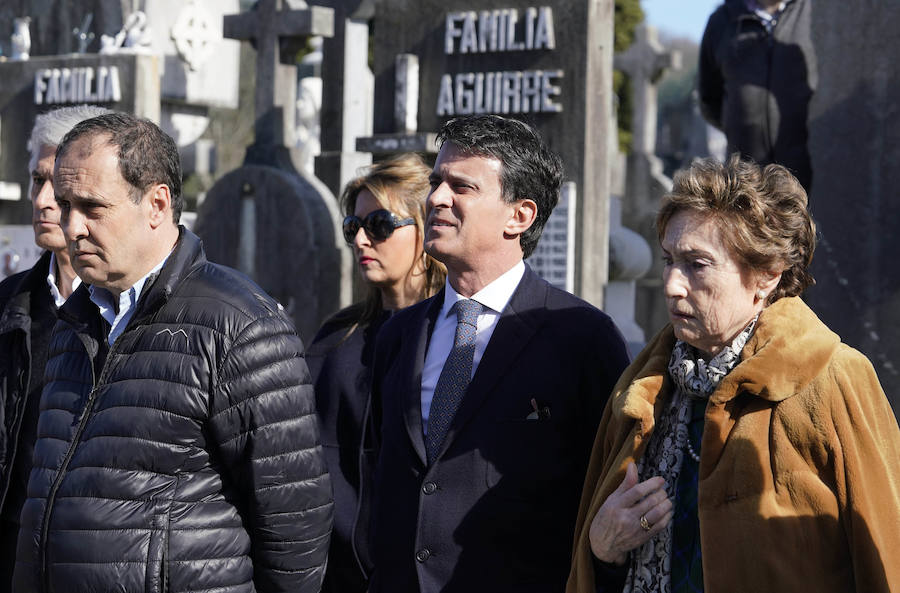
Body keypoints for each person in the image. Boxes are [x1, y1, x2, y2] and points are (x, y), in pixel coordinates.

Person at [12, 112, 333, 593]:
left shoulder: (241, 326)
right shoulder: (73, 323)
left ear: (157, 203)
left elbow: (294, 528)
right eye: (64, 203)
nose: (71, 226)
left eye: (92, 207)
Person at [568, 155, 900, 593]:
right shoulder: (643, 386)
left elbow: (886, 554)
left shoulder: (832, 377)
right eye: (669, 260)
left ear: (766, 274)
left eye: (696, 264)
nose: (671, 284)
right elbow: (597, 563)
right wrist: (603, 551)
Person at [367, 114, 631, 593]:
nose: (437, 199)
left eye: (461, 187)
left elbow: (608, 495)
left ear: (520, 216)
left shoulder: (582, 338)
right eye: (436, 182)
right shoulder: (399, 335)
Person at [307, 153, 446, 593]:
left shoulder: (456, 340)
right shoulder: (334, 338)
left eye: (380, 225)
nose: (362, 240)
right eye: (354, 227)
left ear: (427, 229)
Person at [0, 104, 110, 590]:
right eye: (35, 180)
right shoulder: (8, 305)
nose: (43, 200)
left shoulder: (133, 310)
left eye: (56, 185)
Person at [698, 0, 814, 190]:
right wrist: (739, 126)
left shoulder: (814, 12)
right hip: (745, 172)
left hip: (806, 170)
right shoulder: (721, 21)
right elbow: (709, 97)